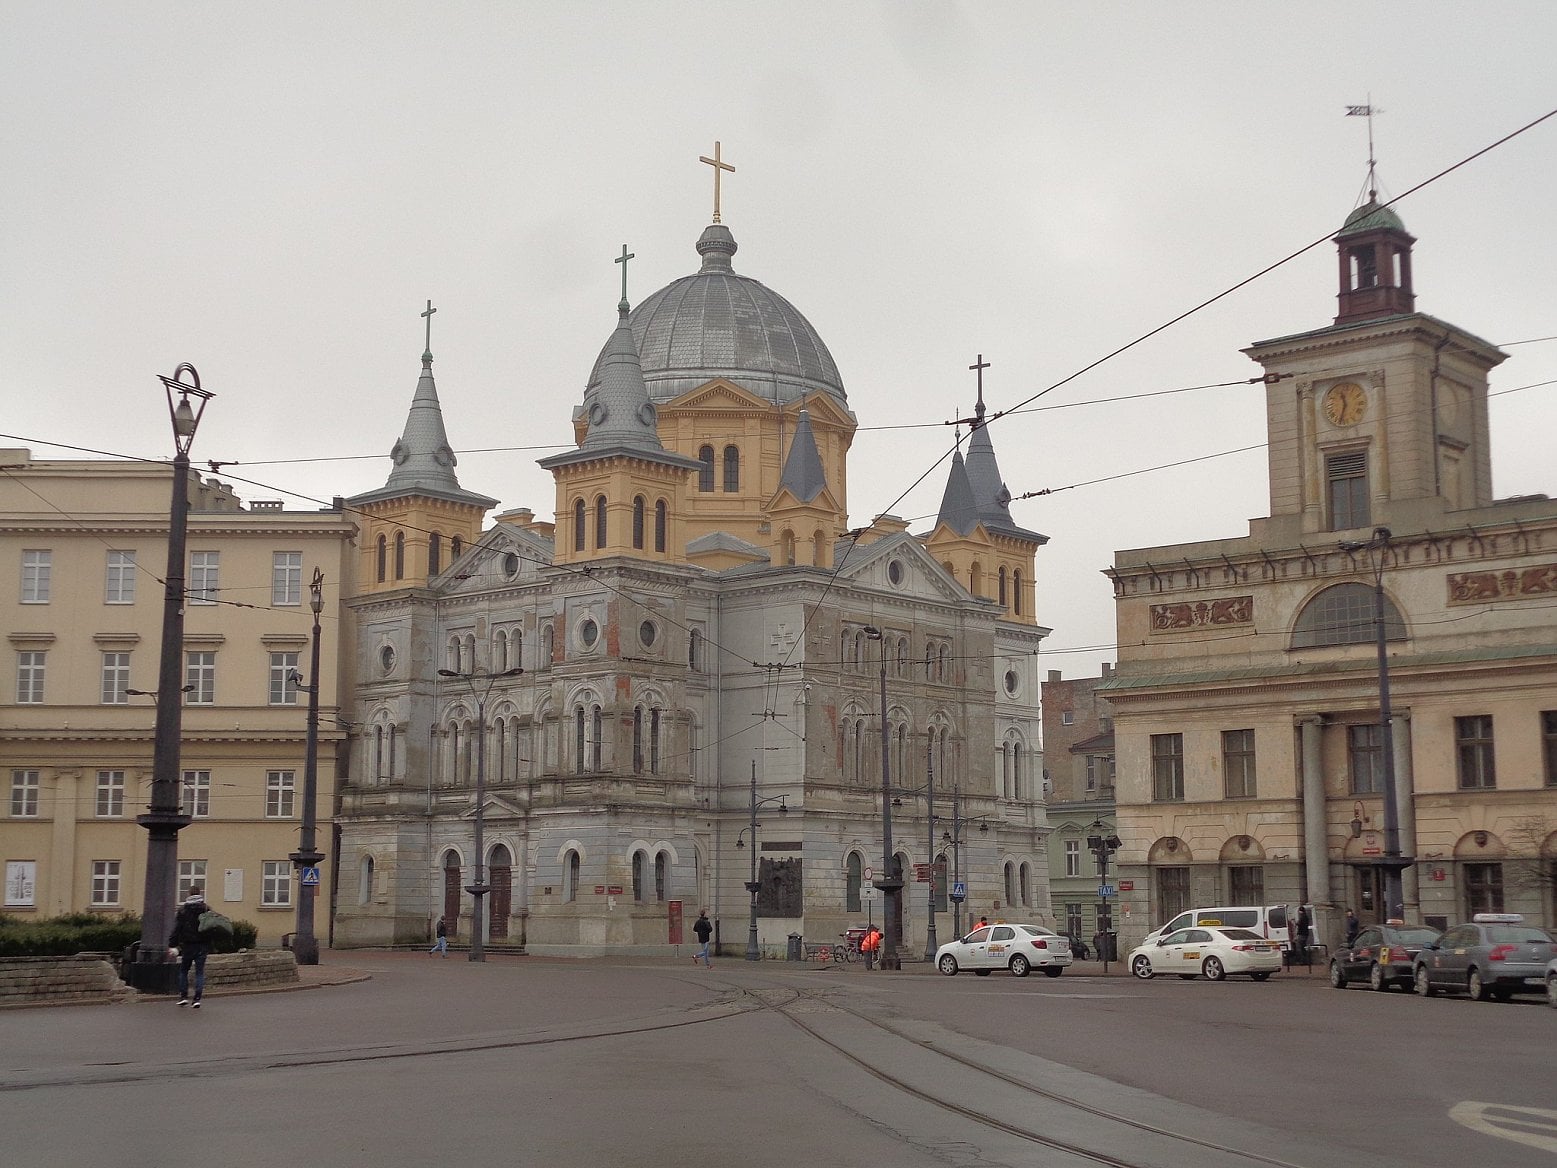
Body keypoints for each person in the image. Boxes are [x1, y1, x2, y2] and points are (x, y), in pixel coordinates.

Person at [168, 886, 211, 1008]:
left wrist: (172, 944)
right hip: (202, 945)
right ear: (200, 894)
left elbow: (177, 929)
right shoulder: (206, 909)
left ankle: (183, 997)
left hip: (187, 945)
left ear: (188, 894)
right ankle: (197, 999)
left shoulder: (183, 910)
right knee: (199, 972)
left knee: (183, 970)